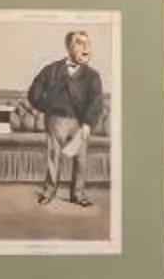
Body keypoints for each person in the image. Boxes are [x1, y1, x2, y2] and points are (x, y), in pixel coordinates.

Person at [22, 29, 108, 211]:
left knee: (81, 159)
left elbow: (96, 104)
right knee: (54, 157)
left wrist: (86, 126)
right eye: (79, 43)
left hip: (80, 122)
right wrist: (49, 108)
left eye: (88, 43)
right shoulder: (51, 70)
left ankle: (78, 194)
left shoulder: (93, 76)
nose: (86, 47)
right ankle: (48, 192)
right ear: (69, 47)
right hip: (56, 120)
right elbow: (34, 93)